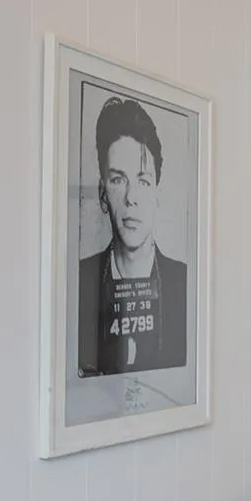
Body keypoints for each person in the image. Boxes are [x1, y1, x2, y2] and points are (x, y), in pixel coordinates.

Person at [78, 95, 188, 376]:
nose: (131, 198)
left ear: (157, 194)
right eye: (118, 180)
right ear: (103, 193)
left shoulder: (184, 284)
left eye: (143, 180)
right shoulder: (78, 282)